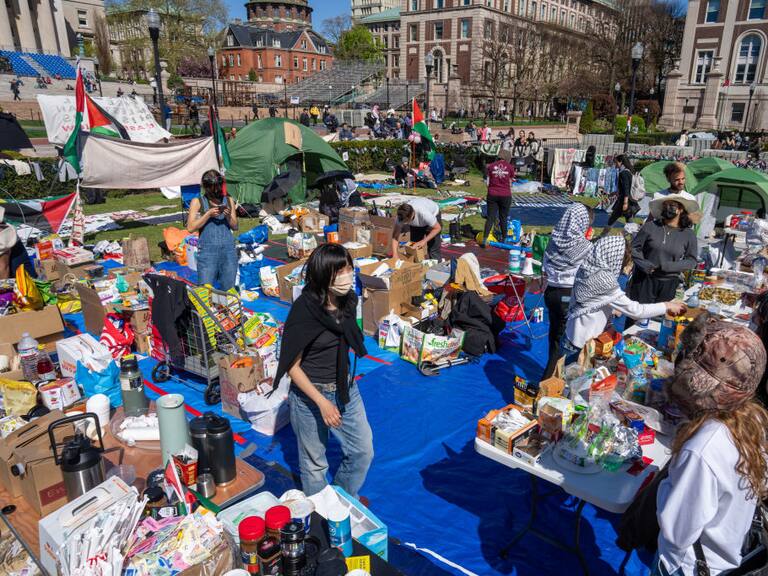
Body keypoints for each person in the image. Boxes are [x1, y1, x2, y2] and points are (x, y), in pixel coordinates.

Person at [654, 315, 768, 576]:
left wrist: (664, 485)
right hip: (728, 554)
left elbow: (677, 531)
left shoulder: (702, 449)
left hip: (689, 567)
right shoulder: (752, 420)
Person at [274, 244, 372, 498]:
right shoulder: (304, 311)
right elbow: (291, 367)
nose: (347, 276)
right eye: (339, 272)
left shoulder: (347, 301)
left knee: (362, 451)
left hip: (344, 388)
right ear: (322, 275)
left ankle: (341, 498)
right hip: (310, 395)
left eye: (349, 269)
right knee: (315, 465)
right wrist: (322, 403)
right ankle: (322, 517)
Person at [562, 236, 686, 362]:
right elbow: (637, 311)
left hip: (571, 336)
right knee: (575, 379)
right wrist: (667, 305)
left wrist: (610, 310)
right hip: (582, 346)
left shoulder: (588, 268)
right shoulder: (603, 280)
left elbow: (592, 303)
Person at [541, 203, 593, 378]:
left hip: (551, 292)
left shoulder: (554, 240)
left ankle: (552, 376)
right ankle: (551, 382)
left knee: (555, 337)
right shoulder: (584, 246)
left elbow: (545, 265)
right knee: (568, 342)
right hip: (568, 294)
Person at [627, 190, 698, 315]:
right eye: (666, 205)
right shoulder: (650, 227)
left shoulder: (688, 234)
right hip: (644, 281)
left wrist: (668, 266)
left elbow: (691, 261)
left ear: (681, 209)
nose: (668, 208)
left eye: (672, 205)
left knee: (661, 319)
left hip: (669, 284)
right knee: (637, 317)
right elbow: (634, 248)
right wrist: (646, 266)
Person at [186, 170, 238, 290]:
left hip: (228, 250)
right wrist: (208, 214)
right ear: (206, 187)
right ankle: (207, 308)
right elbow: (190, 227)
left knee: (229, 287)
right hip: (207, 252)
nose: (215, 191)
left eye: (218, 187)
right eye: (212, 188)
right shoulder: (198, 201)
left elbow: (235, 226)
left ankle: (227, 308)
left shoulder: (228, 200)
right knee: (205, 288)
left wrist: (228, 215)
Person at [481, 149, 515, 247]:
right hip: (505, 194)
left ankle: (484, 239)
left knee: (490, 217)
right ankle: (504, 239)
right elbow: (510, 182)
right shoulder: (510, 167)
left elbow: (487, 182)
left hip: (492, 194)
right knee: (503, 218)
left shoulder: (491, 166)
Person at [603, 155, 639, 232]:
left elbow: (626, 189)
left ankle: (602, 236)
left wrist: (625, 203)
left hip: (624, 201)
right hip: (626, 200)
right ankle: (635, 237)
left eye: (616, 162)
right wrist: (614, 193)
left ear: (621, 162)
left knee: (612, 219)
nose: (615, 164)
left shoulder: (624, 173)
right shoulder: (628, 172)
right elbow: (625, 188)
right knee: (629, 220)